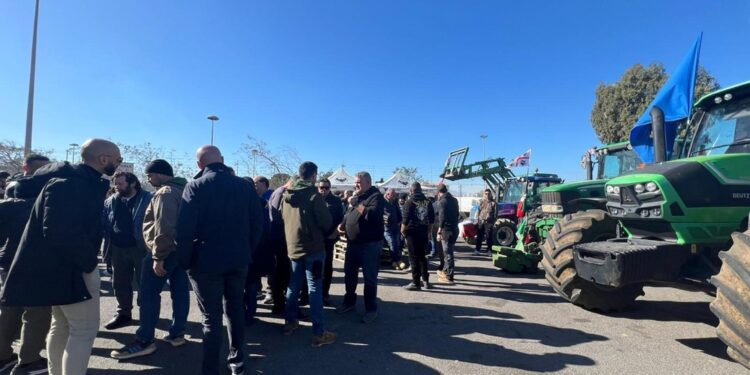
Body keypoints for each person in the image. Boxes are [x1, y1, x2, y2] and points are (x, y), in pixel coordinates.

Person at [0, 139, 121, 375]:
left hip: (60, 270)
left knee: (62, 326)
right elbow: (60, 232)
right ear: (103, 159)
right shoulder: (73, 184)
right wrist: (88, 264)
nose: (119, 164)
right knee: (83, 331)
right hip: (71, 271)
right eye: (118, 159)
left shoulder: (72, 182)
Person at [175, 145, 264, 375]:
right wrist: (247, 251)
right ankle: (237, 360)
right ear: (223, 160)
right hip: (238, 260)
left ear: (199, 165)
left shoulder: (195, 186)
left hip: (205, 262)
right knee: (235, 309)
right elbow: (258, 224)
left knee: (211, 319)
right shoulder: (245, 187)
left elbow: (184, 230)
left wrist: (184, 262)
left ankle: (210, 369)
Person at [110, 160, 190, 360]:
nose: (148, 179)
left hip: (164, 252)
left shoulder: (166, 193)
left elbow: (164, 226)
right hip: (181, 251)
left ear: (161, 174)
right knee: (180, 292)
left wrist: (158, 257)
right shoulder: (185, 189)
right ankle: (177, 333)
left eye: (150, 175)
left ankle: (144, 340)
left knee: (147, 295)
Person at [0, 155, 51, 374]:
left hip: (9, 261)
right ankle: (29, 361)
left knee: (9, 308)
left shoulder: (10, 196)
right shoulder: (49, 198)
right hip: (38, 264)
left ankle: (3, 355)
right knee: (37, 313)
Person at [281, 162, 336, 347]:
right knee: (314, 289)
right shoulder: (313, 195)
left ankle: (290, 323)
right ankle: (319, 332)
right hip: (313, 248)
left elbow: (283, 218)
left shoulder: (286, 195)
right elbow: (326, 222)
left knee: (293, 285)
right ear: (313, 176)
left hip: (293, 248)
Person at [101, 171, 153, 330]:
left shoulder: (148, 199)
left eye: (120, 184)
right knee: (119, 283)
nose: (116, 187)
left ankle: (147, 316)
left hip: (141, 249)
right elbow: (105, 222)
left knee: (146, 284)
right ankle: (123, 314)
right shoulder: (111, 201)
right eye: (115, 184)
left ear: (132, 183)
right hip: (117, 248)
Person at [337, 171, 385, 323]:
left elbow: (371, 216)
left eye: (359, 182)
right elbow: (349, 215)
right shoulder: (358, 196)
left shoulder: (376, 196)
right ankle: (349, 303)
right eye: (356, 182)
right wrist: (343, 225)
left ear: (368, 183)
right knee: (349, 275)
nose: (356, 184)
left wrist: (356, 203)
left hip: (369, 245)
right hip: (353, 243)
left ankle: (371, 309)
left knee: (369, 278)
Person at [244, 176, 274, 325]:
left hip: (245, 251)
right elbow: (267, 228)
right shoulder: (263, 203)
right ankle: (250, 314)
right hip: (257, 250)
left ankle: (244, 314)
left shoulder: (238, 204)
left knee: (242, 285)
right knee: (251, 285)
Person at [401, 182, 435, 291]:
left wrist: (402, 231)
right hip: (423, 232)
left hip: (412, 233)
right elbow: (432, 219)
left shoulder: (409, 202)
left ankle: (416, 282)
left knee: (413, 257)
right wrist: (429, 232)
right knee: (422, 256)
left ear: (411, 190)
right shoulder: (427, 202)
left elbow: (405, 219)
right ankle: (425, 280)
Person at [317, 178, 344, 306]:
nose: (323, 190)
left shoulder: (336, 201)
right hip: (314, 240)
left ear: (330, 188)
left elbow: (341, 219)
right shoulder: (313, 199)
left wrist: (335, 233)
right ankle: (311, 294)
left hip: (328, 239)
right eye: (321, 187)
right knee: (313, 267)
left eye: (326, 187)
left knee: (327, 267)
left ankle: (325, 293)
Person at [267, 180, 292, 314]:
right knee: (280, 273)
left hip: (279, 238)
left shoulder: (278, 192)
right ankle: (279, 304)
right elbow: (278, 217)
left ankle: (279, 303)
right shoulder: (281, 193)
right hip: (280, 239)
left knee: (281, 273)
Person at [435, 184, 459, 284]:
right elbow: (457, 214)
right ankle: (445, 271)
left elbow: (442, 218)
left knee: (448, 254)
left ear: (439, 192)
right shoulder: (454, 200)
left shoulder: (442, 202)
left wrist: (439, 231)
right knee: (448, 252)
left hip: (447, 231)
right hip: (455, 229)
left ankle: (449, 277)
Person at [383, 188, 404, 270]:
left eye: (395, 195)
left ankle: (397, 260)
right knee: (392, 243)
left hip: (395, 226)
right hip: (387, 227)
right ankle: (395, 261)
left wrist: (400, 220)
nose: (395, 196)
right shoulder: (383, 202)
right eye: (393, 195)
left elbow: (398, 211)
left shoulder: (394, 202)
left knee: (397, 243)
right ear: (388, 194)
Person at [474, 189, 496, 255]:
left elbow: (495, 214)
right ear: (484, 194)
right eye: (486, 194)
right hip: (481, 221)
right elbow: (478, 211)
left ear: (491, 194)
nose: (487, 195)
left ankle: (489, 250)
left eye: (488, 193)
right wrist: (477, 220)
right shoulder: (481, 202)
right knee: (479, 236)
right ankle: (477, 249)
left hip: (489, 222)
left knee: (489, 237)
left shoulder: (493, 203)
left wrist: (493, 222)